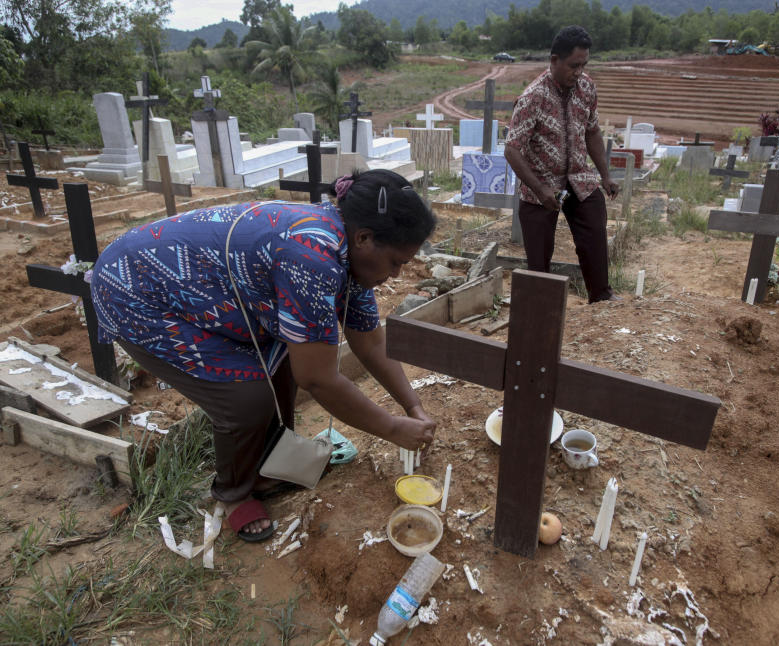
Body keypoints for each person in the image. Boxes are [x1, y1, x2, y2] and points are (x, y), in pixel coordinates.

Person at [91, 169, 437, 542]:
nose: (398, 274)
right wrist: (391, 428)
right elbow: (318, 379)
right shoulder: (312, 256)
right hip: (135, 292)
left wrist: (413, 407)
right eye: (397, 263)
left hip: (198, 288)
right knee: (246, 397)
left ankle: (269, 465)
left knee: (286, 361)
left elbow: (369, 343)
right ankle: (232, 493)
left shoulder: (348, 252)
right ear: (365, 238)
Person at [504, 25, 621, 303]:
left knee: (594, 233)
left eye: (583, 65)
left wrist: (605, 175)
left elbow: (592, 131)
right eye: (573, 66)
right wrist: (540, 189)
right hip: (541, 186)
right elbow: (512, 150)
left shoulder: (587, 88)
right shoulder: (533, 97)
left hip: (580, 179)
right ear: (554, 60)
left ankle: (601, 297)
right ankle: (541, 310)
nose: (578, 72)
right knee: (539, 255)